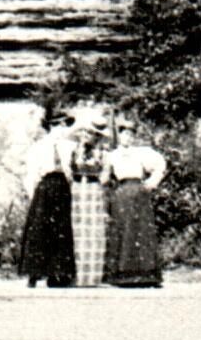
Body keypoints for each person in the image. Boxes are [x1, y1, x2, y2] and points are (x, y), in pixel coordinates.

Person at [102, 120, 168, 288]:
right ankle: (122, 275)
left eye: (131, 135)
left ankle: (145, 275)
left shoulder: (142, 152)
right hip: (121, 193)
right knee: (123, 231)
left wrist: (152, 182)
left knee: (141, 231)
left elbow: (160, 165)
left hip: (139, 192)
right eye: (125, 134)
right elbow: (104, 177)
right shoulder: (112, 155)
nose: (128, 138)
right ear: (119, 136)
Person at [17, 113, 78, 288]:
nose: (63, 130)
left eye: (65, 126)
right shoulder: (39, 147)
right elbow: (31, 172)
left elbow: (72, 170)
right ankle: (34, 273)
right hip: (45, 187)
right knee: (40, 229)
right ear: (51, 127)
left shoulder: (69, 146)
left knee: (61, 229)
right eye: (59, 126)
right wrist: (34, 194)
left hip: (62, 186)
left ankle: (58, 274)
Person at [68, 111, 112, 287]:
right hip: (77, 189)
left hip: (94, 189)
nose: (87, 136)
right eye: (85, 132)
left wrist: (99, 180)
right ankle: (76, 276)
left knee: (94, 232)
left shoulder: (102, 153)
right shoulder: (74, 150)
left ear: (97, 137)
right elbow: (68, 169)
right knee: (77, 231)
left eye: (91, 133)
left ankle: (93, 277)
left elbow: (106, 173)